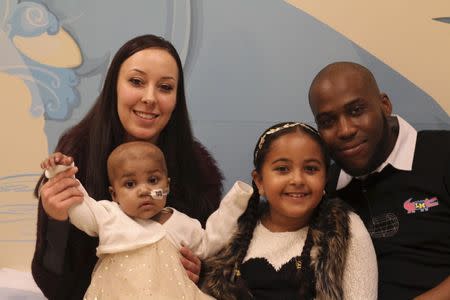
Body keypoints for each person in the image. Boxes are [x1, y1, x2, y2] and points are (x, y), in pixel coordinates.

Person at [32, 34, 223, 300]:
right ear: (114, 87)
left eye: (165, 87)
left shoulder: (197, 170)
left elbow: (218, 261)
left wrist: (202, 274)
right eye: (136, 81)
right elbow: (54, 287)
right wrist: (56, 221)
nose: (149, 98)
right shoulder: (76, 156)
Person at [308, 61, 450, 299]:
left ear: (384, 105)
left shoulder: (443, 152)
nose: (345, 130)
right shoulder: (324, 188)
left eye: (356, 111)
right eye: (328, 122)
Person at [41, 142, 252, 299]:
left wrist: (235, 203)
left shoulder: (182, 224)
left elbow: (211, 242)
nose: (144, 191)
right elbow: (80, 207)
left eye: (153, 180)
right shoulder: (110, 216)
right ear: (114, 195)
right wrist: (61, 173)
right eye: (130, 184)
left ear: (167, 185)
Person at [201, 122, 377, 299]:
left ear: (325, 178)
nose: (297, 180)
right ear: (260, 181)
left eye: (310, 169)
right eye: (282, 169)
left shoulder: (345, 228)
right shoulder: (234, 229)